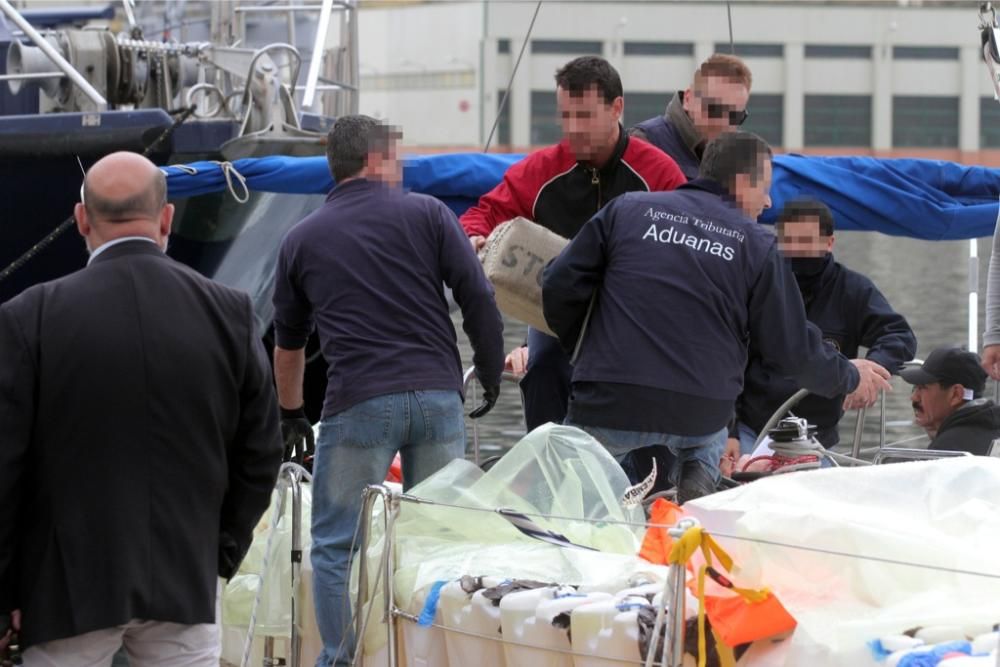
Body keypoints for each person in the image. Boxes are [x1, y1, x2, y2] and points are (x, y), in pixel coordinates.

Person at [0, 152, 283, 664]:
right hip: (185, 583)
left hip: (64, 593)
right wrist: (218, 552)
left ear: (81, 219)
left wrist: (6, 593)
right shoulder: (230, 312)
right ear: (167, 217)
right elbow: (262, 451)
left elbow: (5, 469)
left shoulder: (27, 318)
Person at [542, 132, 891, 503]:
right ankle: (695, 503)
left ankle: (584, 521)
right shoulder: (756, 244)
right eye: (765, 188)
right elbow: (790, 346)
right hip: (700, 412)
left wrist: (584, 351)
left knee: (577, 495)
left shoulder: (625, 209)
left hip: (610, 397)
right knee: (707, 443)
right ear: (742, 183)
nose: (769, 200)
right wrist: (848, 376)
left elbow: (556, 285)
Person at [273, 115, 505, 666]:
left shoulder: (300, 239)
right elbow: (478, 296)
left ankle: (341, 657)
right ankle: (424, 653)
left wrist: (291, 416)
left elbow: (289, 348)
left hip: (359, 402)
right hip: (438, 399)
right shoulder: (428, 214)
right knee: (434, 537)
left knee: (334, 547)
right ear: (375, 160)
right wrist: (490, 370)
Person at [461, 55, 686, 430]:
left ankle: (650, 479)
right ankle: (547, 474)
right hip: (558, 321)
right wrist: (472, 235)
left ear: (617, 108)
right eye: (566, 116)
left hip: (635, 320)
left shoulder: (658, 174)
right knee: (544, 367)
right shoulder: (542, 171)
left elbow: (693, 237)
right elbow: (484, 212)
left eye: (584, 116)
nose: (573, 129)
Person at [733, 198, 916, 452]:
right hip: (751, 429)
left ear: (829, 243)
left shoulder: (853, 290)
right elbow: (726, 357)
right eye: (789, 241)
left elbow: (898, 334)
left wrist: (868, 373)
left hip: (817, 436)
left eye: (806, 241)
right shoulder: (758, 285)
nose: (796, 250)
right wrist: (730, 429)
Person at [629, 53, 752, 179]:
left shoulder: (739, 158)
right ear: (688, 99)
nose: (724, 123)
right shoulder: (645, 142)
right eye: (715, 109)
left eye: (735, 116)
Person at [902, 347, 1000, 455]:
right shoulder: (992, 429)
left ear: (956, 395)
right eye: (915, 388)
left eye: (923, 388)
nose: (914, 397)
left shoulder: (947, 449)